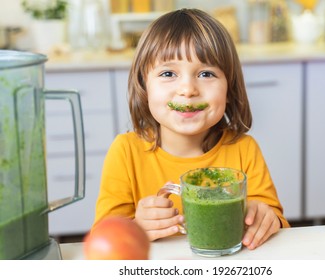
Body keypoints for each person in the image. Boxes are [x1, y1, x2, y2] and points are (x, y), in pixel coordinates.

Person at [93, 8, 290, 250]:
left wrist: (265, 219)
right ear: (144, 87)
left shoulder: (243, 149)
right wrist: (136, 227)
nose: (188, 90)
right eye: (168, 73)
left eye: (206, 73)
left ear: (229, 90)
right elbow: (103, 238)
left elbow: (275, 221)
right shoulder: (125, 152)